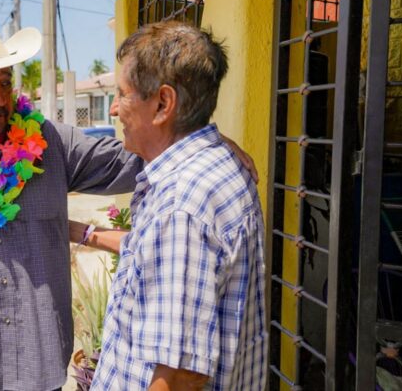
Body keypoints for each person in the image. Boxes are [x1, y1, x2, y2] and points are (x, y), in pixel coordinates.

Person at [0, 22, 254, 390]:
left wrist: (196, 138)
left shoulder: (47, 142)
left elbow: (134, 155)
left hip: (36, 366)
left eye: (4, 82)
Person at [88, 21, 267, 391]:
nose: (114, 110)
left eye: (122, 95)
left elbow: (180, 375)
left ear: (163, 104)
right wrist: (82, 232)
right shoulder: (217, 163)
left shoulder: (181, 205)